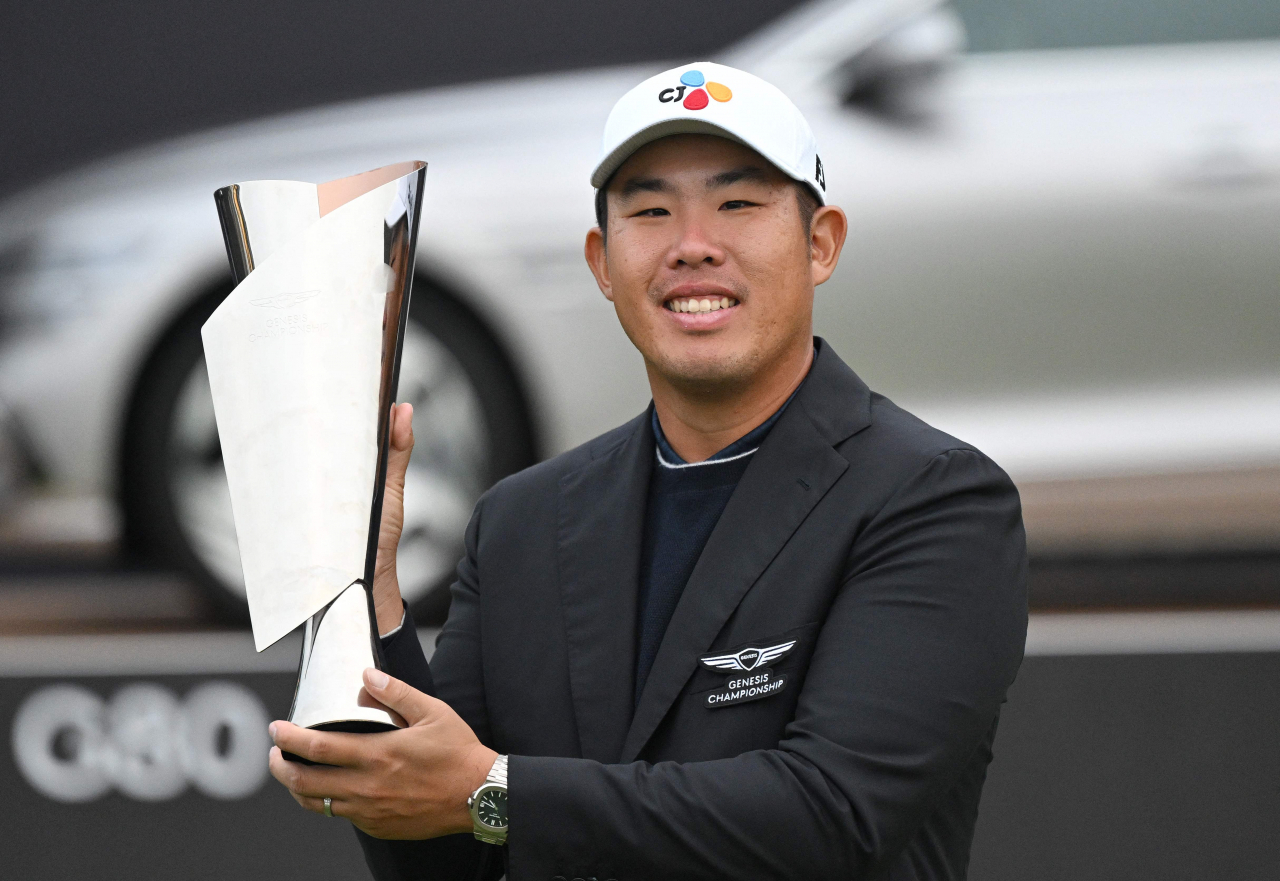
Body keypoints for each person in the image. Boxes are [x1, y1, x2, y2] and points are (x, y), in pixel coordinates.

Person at [268, 61, 1028, 881]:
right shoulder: (521, 521)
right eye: (651, 210)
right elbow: (445, 859)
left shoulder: (935, 499)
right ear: (602, 260)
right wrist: (366, 590)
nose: (692, 245)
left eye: (737, 204)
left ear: (821, 243)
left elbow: (829, 816)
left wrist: (495, 793)